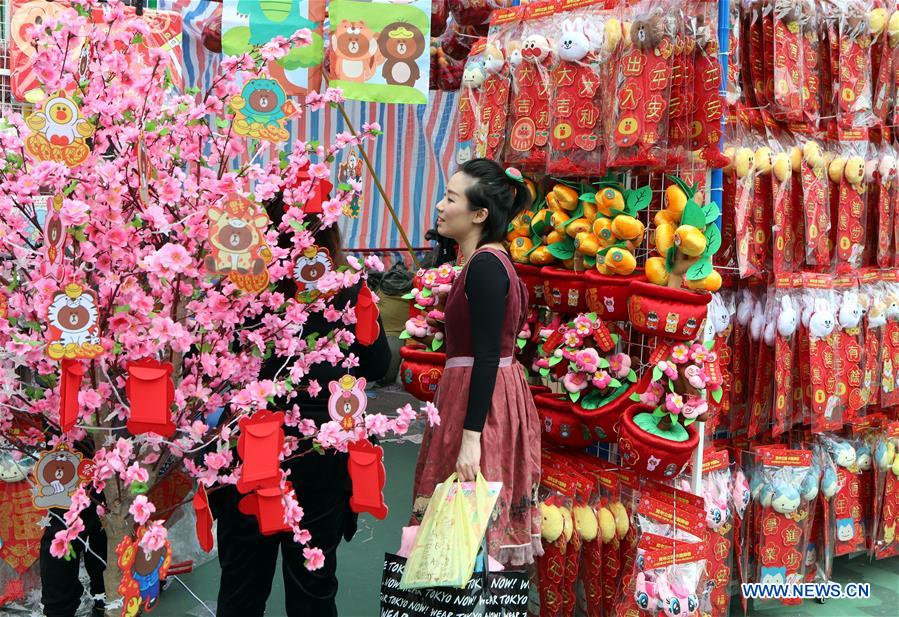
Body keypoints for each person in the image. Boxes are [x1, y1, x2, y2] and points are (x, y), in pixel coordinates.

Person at [211, 195, 391, 617]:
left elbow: (205, 369)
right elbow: (380, 363)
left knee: (241, 585)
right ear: (328, 230)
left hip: (246, 453)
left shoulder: (237, 285)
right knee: (313, 585)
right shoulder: (346, 287)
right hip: (321, 454)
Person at [410, 158, 542, 566]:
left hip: (480, 405)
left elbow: (486, 354)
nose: (440, 206)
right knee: (468, 514)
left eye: (450, 199)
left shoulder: (485, 266)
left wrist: (471, 439)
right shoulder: (488, 261)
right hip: (483, 395)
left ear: (480, 214)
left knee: (467, 508)